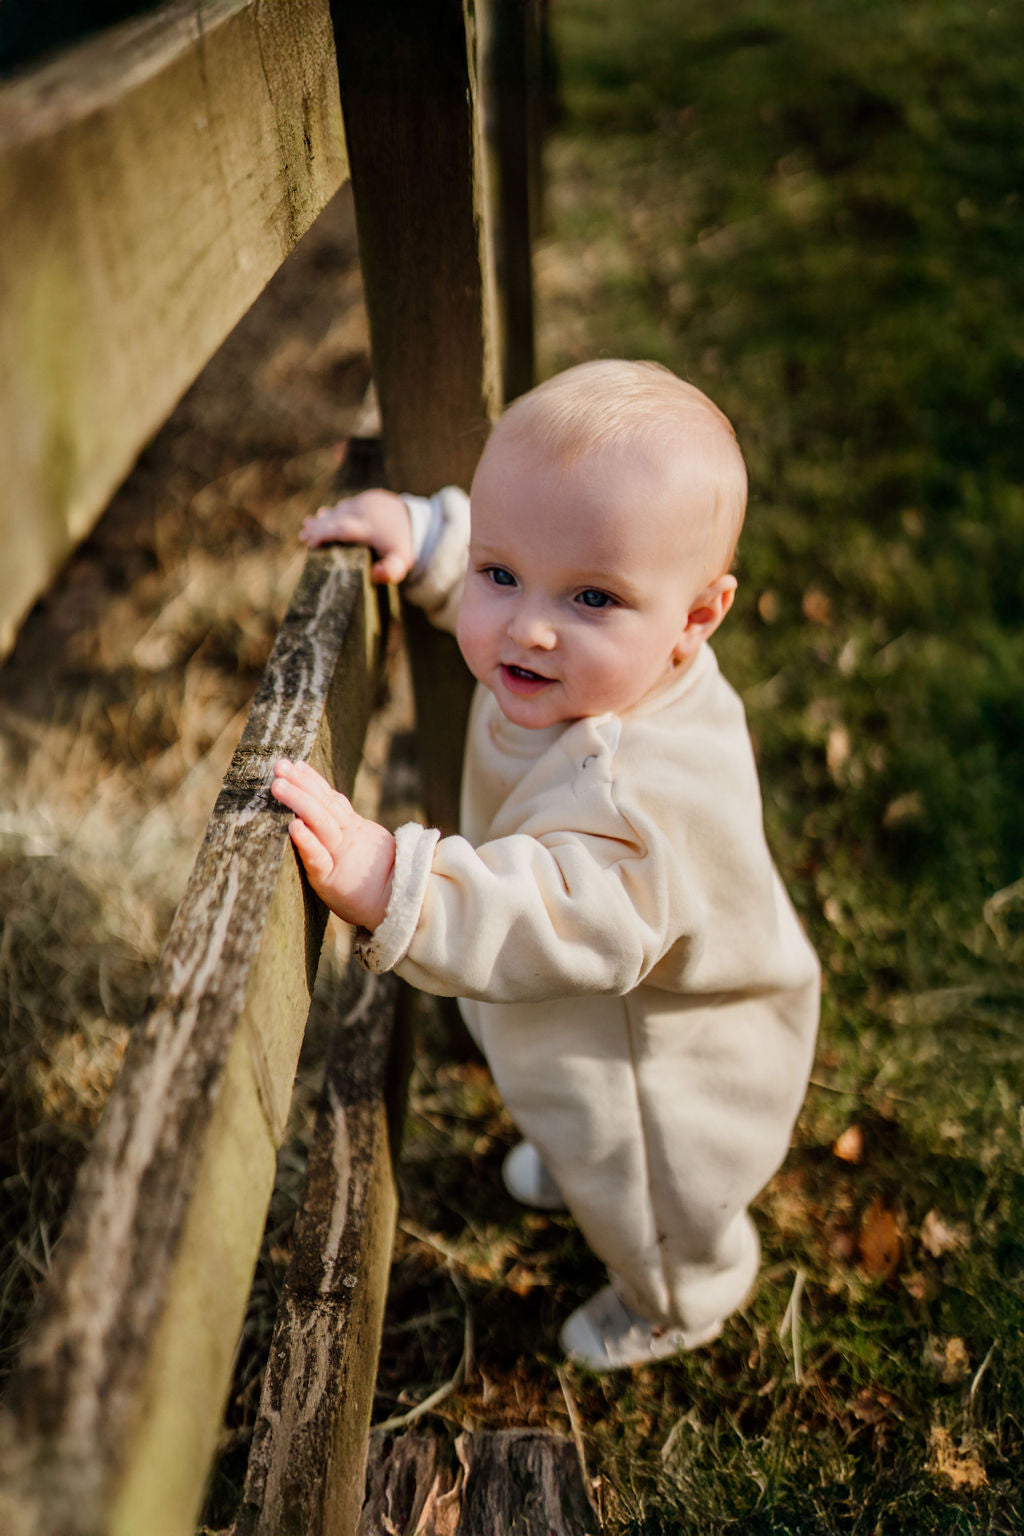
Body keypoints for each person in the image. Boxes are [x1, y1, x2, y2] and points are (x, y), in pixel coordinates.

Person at [271, 360, 820, 1370]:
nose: (526, 624)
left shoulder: (637, 794)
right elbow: (520, 543)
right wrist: (430, 542)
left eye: (593, 596)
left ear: (695, 620)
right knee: (579, 1130)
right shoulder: (582, 671)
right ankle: (580, 1166)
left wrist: (395, 877)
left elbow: (553, 912)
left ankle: (681, 1294)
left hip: (663, 1072)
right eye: (498, 574)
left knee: (647, 1195)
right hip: (586, 1028)